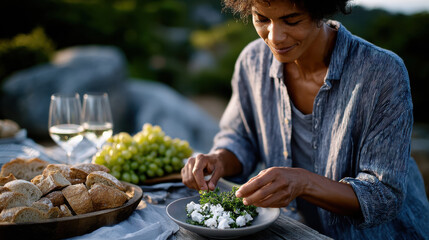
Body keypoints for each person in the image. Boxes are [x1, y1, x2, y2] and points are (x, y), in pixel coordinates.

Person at [181, 0, 429, 238]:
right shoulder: (252, 62)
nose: (275, 37)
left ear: (320, 11)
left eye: (292, 20)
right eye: (262, 19)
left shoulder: (382, 72)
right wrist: (219, 160)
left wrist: (303, 182)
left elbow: (384, 196)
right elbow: (240, 138)